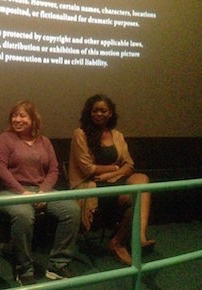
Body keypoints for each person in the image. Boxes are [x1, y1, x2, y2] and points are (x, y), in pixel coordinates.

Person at [0, 100, 80, 286]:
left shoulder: (44, 141)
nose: (17, 119)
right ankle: (24, 270)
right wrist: (22, 192)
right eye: (14, 115)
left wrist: (42, 192)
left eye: (22, 115)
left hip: (38, 190)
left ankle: (58, 265)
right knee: (24, 214)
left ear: (33, 119)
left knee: (72, 210)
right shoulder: (5, 139)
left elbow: (53, 169)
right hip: (8, 191)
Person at [69, 94, 155, 266]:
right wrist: (114, 168)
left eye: (103, 110)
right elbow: (88, 169)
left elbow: (129, 164)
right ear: (89, 112)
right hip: (92, 185)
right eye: (95, 110)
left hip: (114, 181)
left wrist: (110, 174)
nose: (99, 114)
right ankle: (119, 243)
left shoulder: (117, 135)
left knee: (142, 181)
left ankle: (137, 237)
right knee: (134, 199)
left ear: (110, 113)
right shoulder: (80, 134)